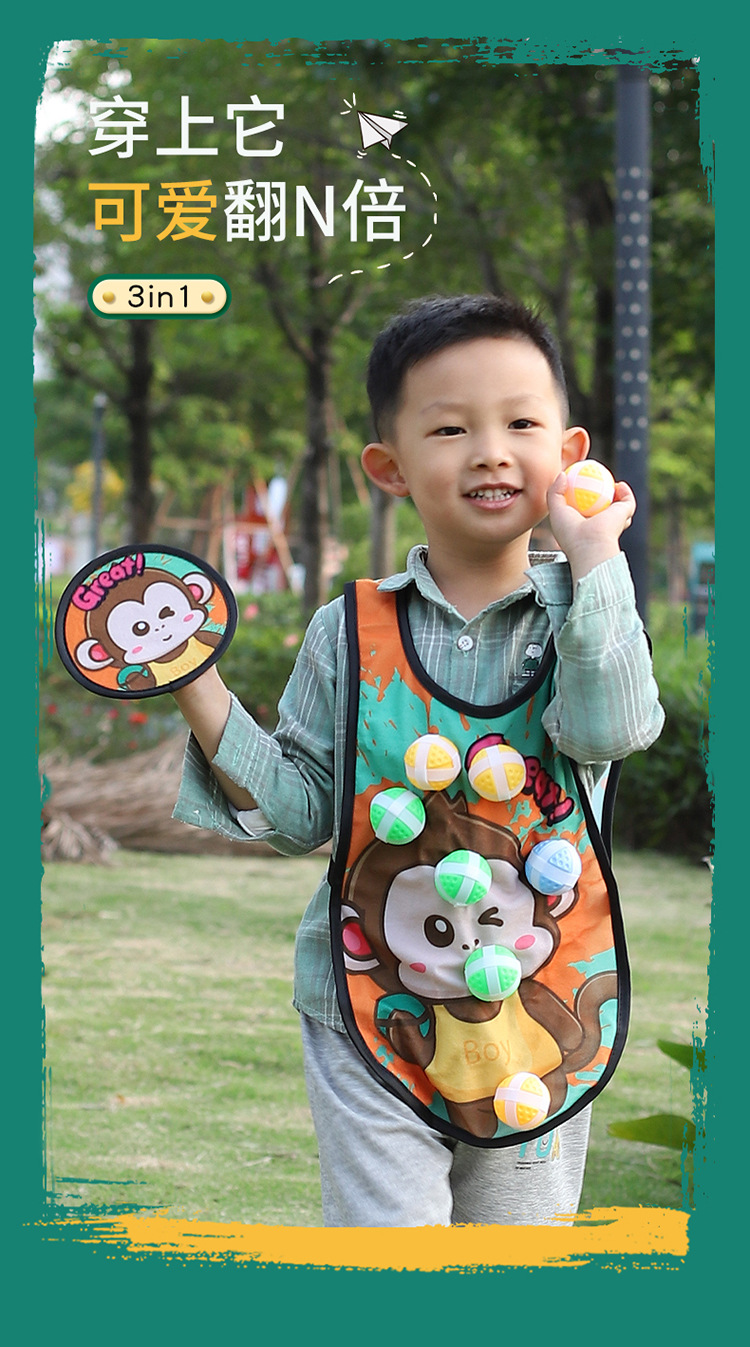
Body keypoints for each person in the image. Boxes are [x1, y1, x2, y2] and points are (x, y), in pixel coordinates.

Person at [172, 293, 664, 1227]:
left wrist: (596, 560)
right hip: (370, 1003)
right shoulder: (348, 630)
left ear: (570, 454)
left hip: (543, 999)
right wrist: (196, 684)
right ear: (390, 467)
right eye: (450, 428)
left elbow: (609, 730)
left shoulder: (587, 611)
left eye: (521, 423)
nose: (490, 451)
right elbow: (304, 815)